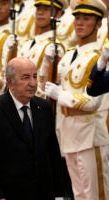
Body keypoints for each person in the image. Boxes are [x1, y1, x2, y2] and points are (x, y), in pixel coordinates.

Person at [0, 57, 63, 199]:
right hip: (8, 193)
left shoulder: (43, 108)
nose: (33, 83)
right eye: (25, 78)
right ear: (9, 81)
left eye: (35, 76)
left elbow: (52, 153)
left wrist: (59, 193)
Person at [45, 0, 109, 198]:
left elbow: (92, 102)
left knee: (95, 195)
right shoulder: (70, 55)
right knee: (78, 194)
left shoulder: (100, 57)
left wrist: (61, 95)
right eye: (77, 18)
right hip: (68, 131)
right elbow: (44, 88)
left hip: (89, 135)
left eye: (87, 19)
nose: (80, 23)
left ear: (99, 24)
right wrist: (47, 65)